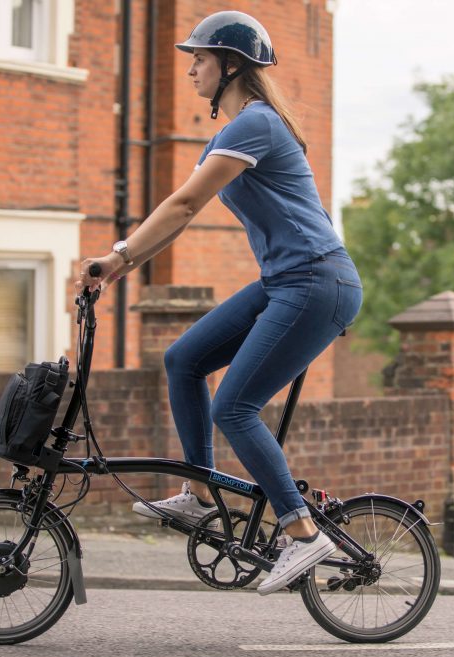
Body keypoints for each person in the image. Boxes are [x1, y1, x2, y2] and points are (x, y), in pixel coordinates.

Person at [76, 11, 363, 596]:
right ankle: (200, 493)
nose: (191, 69)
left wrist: (117, 257)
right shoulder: (233, 133)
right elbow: (181, 216)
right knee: (183, 360)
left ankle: (304, 534)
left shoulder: (255, 124)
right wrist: (120, 266)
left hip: (317, 281)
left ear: (231, 66)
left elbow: (182, 206)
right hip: (289, 280)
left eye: (200, 58)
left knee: (233, 408)